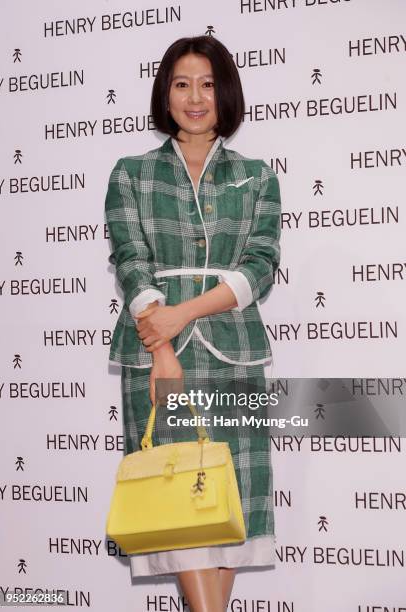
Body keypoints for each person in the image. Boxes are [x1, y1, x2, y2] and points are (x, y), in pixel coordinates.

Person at [105, 35, 281, 612]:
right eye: (182, 84)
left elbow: (260, 264)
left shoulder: (256, 175)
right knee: (179, 507)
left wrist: (185, 312)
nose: (195, 97)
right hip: (159, 354)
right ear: (165, 93)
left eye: (207, 84)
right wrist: (163, 344)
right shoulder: (131, 172)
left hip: (233, 356)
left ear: (224, 92)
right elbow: (131, 260)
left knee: (228, 509)